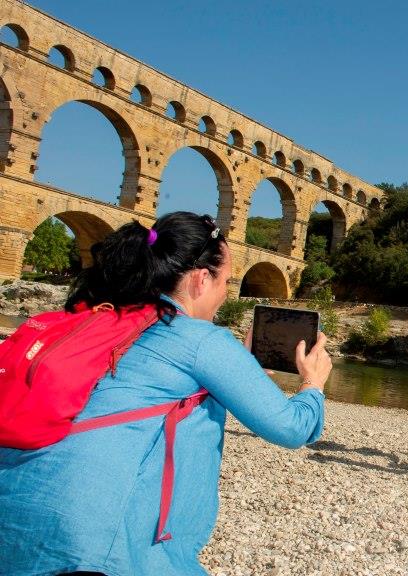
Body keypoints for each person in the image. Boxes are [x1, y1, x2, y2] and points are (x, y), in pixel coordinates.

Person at [0, 212, 333, 575]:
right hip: (92, 542)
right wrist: (312, 384)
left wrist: (241, 367)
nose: (226, 292)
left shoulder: (114, 318)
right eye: (227, 281)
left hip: (16, 514)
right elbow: (291, 427)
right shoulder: (200, 339)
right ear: (201, 280)